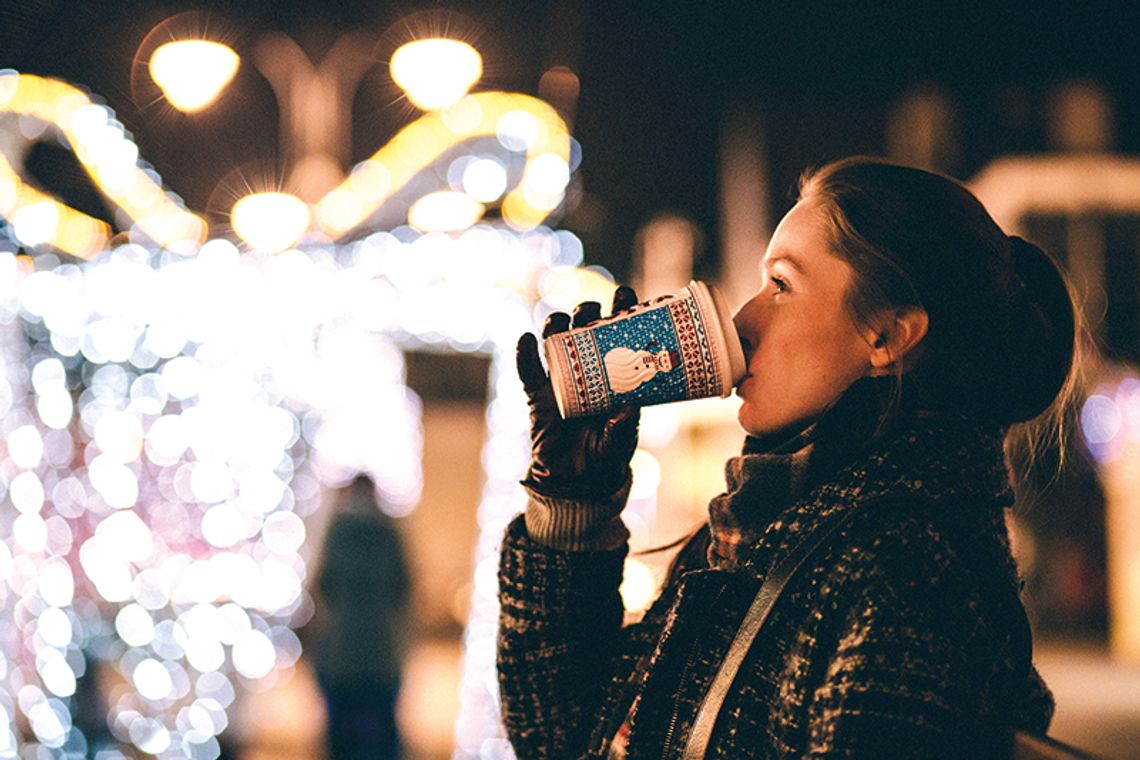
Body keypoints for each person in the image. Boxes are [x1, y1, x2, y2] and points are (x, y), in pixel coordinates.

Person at [497, 157, 1082, 758]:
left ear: (888, 335)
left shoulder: (907, 569)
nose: (743, 320)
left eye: (781, 284)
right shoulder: (758, 530)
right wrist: (572, 502)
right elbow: (561, 735)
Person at [309, 474, 411, 760]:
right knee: (380, 738)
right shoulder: (388, 533)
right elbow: (403, 586)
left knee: (341, 737)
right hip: (381, 654)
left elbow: (323, 585)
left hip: (342, 653)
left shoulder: (337, 532)